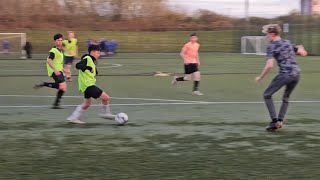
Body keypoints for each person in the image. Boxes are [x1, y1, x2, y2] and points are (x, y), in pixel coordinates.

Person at [255, 24, 307, 131]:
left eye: (267, 34)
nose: (266, 37)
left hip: (285, 74)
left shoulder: (272, 46)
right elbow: (303, 53)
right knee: (286, 97)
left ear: (272, 34)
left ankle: (274, 122)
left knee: (267, 94)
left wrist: (261, 77)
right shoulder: (287, 42)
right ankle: (280, 121)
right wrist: (301, 49)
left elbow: (269, 65)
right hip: (297, 74)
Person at [67, 44, 115, 124]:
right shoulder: (87, 58)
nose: (99, 55)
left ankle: (73, 117)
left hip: (86, 86)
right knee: (106, 98)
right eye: (98, 53)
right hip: (88, 85)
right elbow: (78, 65)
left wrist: (94, 70)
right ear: (92, 52)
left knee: (87, 104)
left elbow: (90, 69)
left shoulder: (91, 60)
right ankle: (106, 113)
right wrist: (87, 67)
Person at [33, 34, 67, 109]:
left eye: (61, 40)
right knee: (62, 86)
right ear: (55, 41)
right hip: (54, 71)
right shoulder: (53, 51)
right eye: (58, 40)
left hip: (59, 70)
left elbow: (59, 63)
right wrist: (55, 70)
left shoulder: (60, 51)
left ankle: (55, 104)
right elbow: (49, 61)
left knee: (63, 88)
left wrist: (65, 70)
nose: (60, 42)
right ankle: (55, 104)